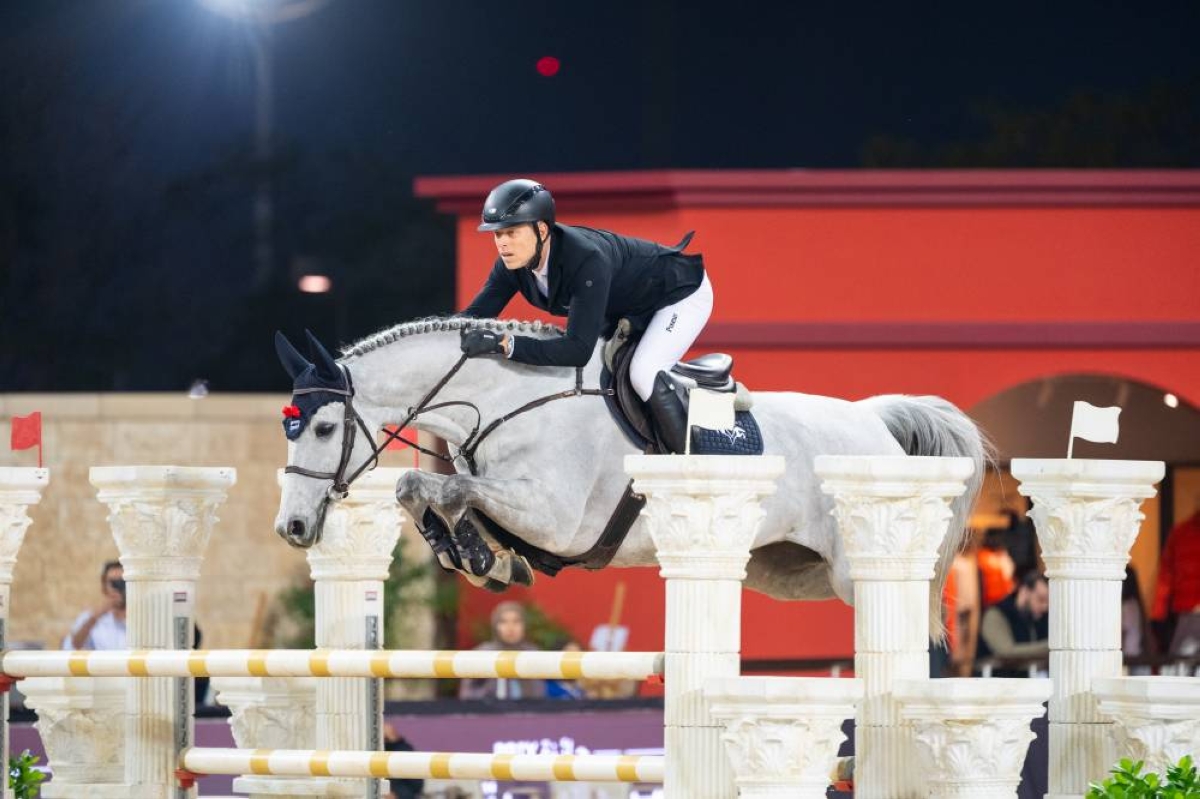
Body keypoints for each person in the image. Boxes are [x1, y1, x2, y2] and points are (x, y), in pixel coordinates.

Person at [459, 178, 712, 453]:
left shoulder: (585, 259)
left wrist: (505, 345)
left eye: (512, 232)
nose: (502, 243)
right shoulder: (511, 265)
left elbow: (577, 351)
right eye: (497, 234)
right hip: (626, 307)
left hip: (677, 294)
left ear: (541, 229)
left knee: (643, 371)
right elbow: (470, 320)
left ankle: (689, 464)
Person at [458, 601, 546, 700]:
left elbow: (539, 691)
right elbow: (467, 693)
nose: (510, 628)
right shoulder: (482, 654)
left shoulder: (533, 654)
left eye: (516, 621)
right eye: (503, 622)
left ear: (524, 625)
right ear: (495, 625)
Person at [975, 570, 1050, 677]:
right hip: (997, 685)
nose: (1045, 607)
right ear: (1024, 591)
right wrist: (1051, 646)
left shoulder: (1039, 618)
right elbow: (1006, 651)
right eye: (1041, 599)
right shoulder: (996, 614)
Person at [1151, 507, 1200, 650]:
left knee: (1181, 662)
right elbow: (1166, 576)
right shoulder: (1181, 533)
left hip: (1187, 611)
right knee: (1181, 660)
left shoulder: (1180, 532)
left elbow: (1166, 576)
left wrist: (1158, 614)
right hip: (1186, 611)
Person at [63, 560, 127, 650]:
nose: (118, 588)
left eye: (122, 582)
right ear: (104, 587)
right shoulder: (91, 618)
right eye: (114, 583)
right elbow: (73, 647)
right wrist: (95, 617)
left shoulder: (142, 619)